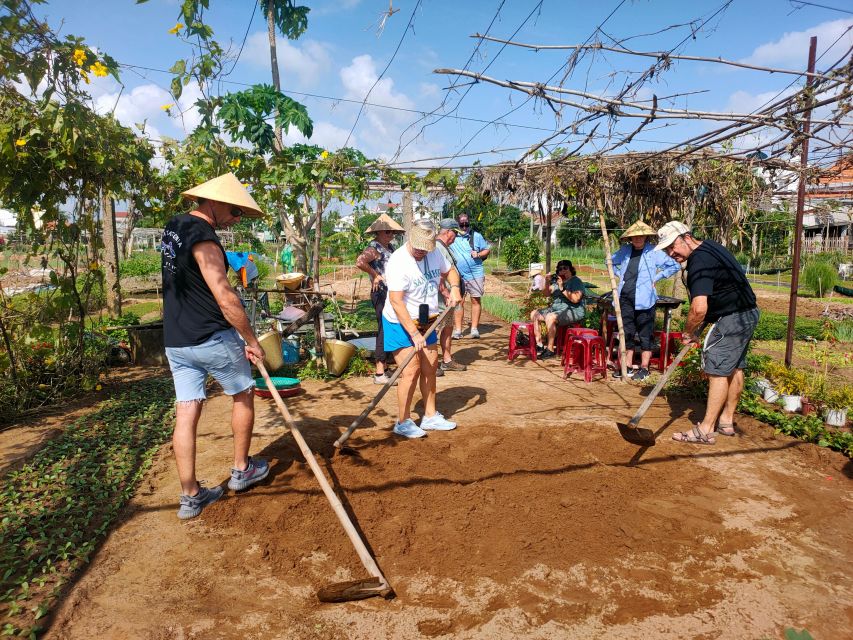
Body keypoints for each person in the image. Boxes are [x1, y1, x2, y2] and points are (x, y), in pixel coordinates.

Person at [161, 172, 269, 520]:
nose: (236, 218)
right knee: (244, 393)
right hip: (211, 336)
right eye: (235, 211)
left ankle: (190, 496)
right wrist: (252, 341)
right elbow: (224, 294)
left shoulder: (174, 228)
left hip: (177, 341)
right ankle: (242, 470)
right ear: (215, 201)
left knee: (187, 411)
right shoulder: (204, 235)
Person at [655, 221, 759, 445]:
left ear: (687, 237)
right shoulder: (711, 247)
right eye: (667, 250)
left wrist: (688, 332)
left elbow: (699, 308)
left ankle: (705, 429)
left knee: (718, 370)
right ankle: (726, 421)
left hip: (731, 318)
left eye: (673, 246)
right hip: (747, 314)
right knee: (735, 366)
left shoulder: (699, 262)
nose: (671, 253)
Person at [383, 219, 463, 438]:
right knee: (411, 370)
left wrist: (454, 288)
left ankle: (429, 416)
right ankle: (403, 421)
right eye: (418, 248)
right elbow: (397, 302)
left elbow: (451, 271)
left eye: (425, 249)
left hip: (427, 319)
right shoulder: (398, 262)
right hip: (399, 321)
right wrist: (414, 333)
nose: (422, 252)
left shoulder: (435, 252)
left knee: (430, 366)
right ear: (411, 238)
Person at [610, 220, 680, 381]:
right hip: (625, 298)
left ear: (646, 237)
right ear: (630, 238)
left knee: (644, 334)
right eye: (634, 237)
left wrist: (657, 277)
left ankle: (644, 368)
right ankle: (626, 366)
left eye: (641, 236)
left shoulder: (654, 252)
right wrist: (619, 275)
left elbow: (674, 265)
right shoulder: (625, 250)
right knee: (626, 333)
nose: (638, 239)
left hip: (645, 299)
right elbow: (610, 261)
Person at [355, 213, 405, 384]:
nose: (391, 235)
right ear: (379, 233)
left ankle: (386, 367)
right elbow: (360, 262)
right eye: (387, 232)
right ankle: (379, 372)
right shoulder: (374, 248)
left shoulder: (389, 248)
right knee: (384, 328)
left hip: (391, 292)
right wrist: (375, 275)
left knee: (390, 327)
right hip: (381, 293)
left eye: (392, 232)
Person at [529, 260, 586, 359]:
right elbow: (546, 293)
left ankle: (550, 349)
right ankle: (539, 345)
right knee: (534, 314)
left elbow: (576, 299)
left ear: (571, 269)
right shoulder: (557, 281)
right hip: (556, 309)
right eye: (560, 269)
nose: (563, 270)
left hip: (573, 310)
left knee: (550, 317)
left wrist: (562, 288)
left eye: (565, 268)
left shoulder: (576, 281)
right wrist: (547, 281)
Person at [449, 213, 490, 339]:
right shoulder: (453, 236)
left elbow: (486, 250)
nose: (465, 227)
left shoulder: (476, 236)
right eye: (462, 225)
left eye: (467, 224)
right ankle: (458, 330)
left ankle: (474, 329)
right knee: (459, 301)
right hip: (458, 275)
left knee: (475, 300)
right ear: (458, 225)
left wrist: (478, 254)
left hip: (475, 273)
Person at [435, 218, 467, 374]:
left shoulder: (446, 247)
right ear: (447, 232)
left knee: (448, 328)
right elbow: (439, 275)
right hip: (440, 298)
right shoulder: (437, 248)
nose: (456, 236)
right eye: (455, 233)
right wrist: (446, 292)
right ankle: (430, 362)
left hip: (448, 298)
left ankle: (446, 360)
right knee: (434, 329)